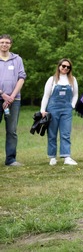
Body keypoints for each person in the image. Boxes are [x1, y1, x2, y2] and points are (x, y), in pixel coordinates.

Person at [40, 59, 79, 165]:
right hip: (53, 110)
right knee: (52, 133)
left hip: (66, 110)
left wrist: (72, 105)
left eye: (68, 67)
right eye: (63, 66)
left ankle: (66, 156)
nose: (65, 68)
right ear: (59, 66)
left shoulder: (72, 80)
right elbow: (46, 96)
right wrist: (43, 110)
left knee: (65, 133)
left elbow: (75, 95)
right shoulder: (52, 80)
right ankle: (52, 157)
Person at [0, 34, 26, 167]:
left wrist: (11, 97)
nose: (4, 45)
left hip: (14, 100)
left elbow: (21, 77)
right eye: (2, 42)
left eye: (7, 42)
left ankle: (10, 159)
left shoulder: (17, 59)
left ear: (11, 44)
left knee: (12, 130)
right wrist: (3, 95)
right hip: (1, 97)